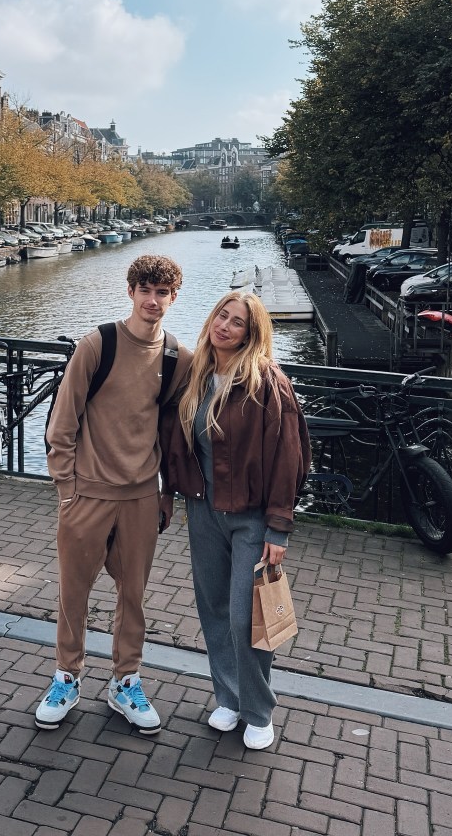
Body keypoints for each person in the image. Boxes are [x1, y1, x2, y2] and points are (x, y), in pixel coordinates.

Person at [36, 255, 192, 734]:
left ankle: (126, 681)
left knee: (134, 595)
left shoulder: (177, 358)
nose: (152, 300)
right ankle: (67, 675)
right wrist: (67, 488)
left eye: (162, 292)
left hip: (142, 496)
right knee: (73, 593)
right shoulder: (97, 344)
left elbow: (169, 430)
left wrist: (166, 494)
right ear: (130, 292)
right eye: (145, 290)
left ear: (173, 297)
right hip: (88, 493)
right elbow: (62, 423)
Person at [161, 290, 310, 750]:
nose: (224, 326)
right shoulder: (197, 376)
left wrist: (278, 526)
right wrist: (170, 492)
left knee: (249, 618)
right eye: (220, 315)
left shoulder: (267, 381)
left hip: (250, 519)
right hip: (203, 512)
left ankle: (259, 710)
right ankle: (227, 697)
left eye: (237, 322)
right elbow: (175, 441)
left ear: (252, 333)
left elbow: (289, 457)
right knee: (215, 612)